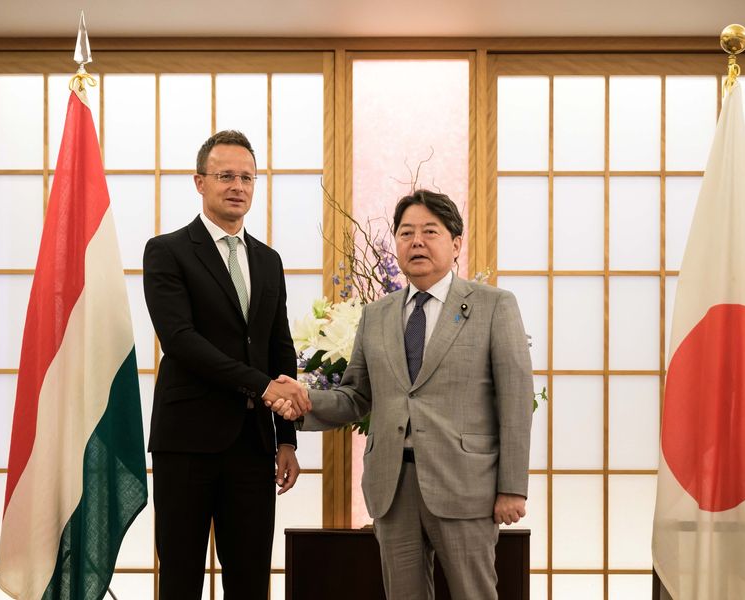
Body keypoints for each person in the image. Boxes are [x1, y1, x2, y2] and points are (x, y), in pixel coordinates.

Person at [269, 189, 533, 599]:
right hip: (393, 486)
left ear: (456, 244)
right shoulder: (377, 315)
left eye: (430, 231)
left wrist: (512, 487)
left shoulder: (493, 305)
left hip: (466, 485)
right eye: (406, 233)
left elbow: (516, 401)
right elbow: (355, 396)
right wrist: (303, 399)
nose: (417, 242)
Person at [143, 130, 310, 599]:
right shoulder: (167, 251)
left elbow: (280, 348)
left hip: (253, 444)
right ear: (200, 182)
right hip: (187, 442)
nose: (238, 186)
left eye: (247, 178)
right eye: (225, 176)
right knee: (180, 580)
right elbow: (181, 342)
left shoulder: (268, 260)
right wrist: (263, 386)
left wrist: (287, 438)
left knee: (251, 580)